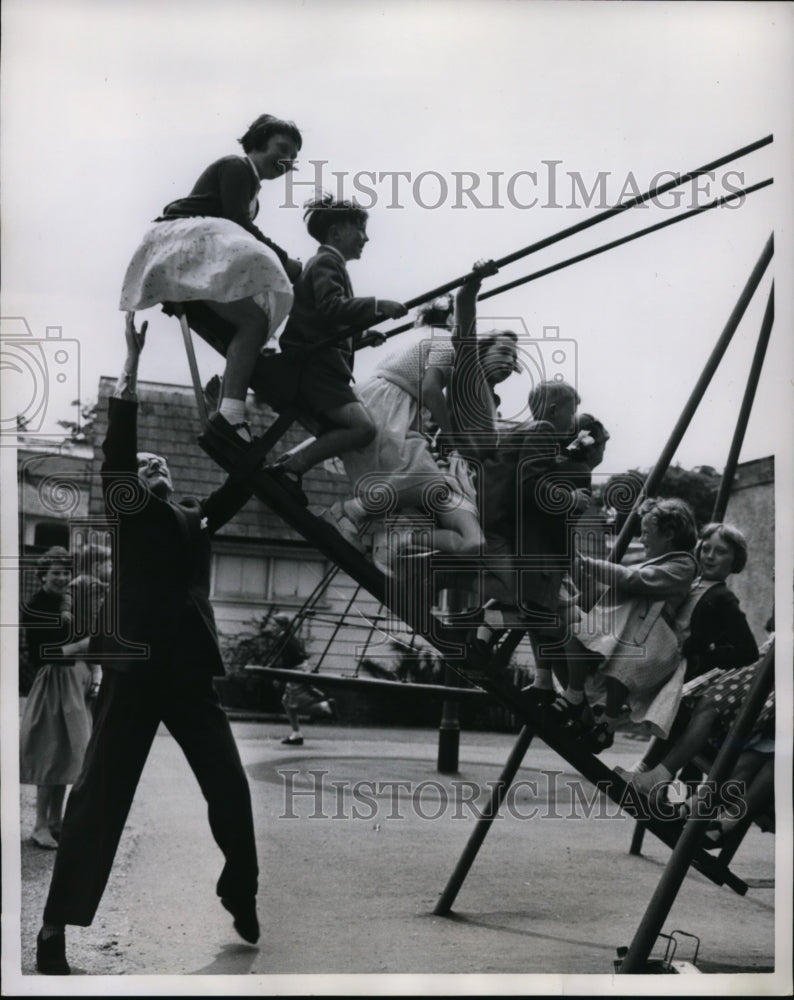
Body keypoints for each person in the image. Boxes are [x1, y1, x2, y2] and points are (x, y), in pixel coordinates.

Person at [35, 316, 260, 976]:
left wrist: (252, 441)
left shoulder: (191, 520)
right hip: (133, 671)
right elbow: (119, 448)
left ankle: (240, 891)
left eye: (159, 468)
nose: (152, 471)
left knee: (230, 787)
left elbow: (235, 491)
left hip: (188, 675)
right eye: (143, 468)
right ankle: (54, 927)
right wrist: (131, 367)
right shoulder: (126, 509)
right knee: (100, 795)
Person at [119, 114, 303, 442]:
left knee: (253, 318)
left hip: (190, 248)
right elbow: (237, 224)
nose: (288, 160)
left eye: (295, 157)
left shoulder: (252, 191)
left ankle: (226, 393)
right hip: (180, 244)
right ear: (259, 143)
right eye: (282, 149)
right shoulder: (236, 167)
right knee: (255, 318)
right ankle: (230, 413)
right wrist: (285, 260)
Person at [321, 267, 518, 557]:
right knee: (418, 474)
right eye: (503, 353)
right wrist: (472, 285)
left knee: (473, 538)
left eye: (514, 360)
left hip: (461, 468)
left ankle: (386, 536)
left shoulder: (490, 398)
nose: (510, 363)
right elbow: (463, 323)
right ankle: (360, 518)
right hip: (425, 442)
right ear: (481, 352)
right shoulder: (463, 367)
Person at [262, 193, 408, 501]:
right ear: (336, 232)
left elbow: (324, 319)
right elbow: (330, 306)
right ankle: (290, 467)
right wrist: (378, 306)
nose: (366, 237)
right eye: (360, 229)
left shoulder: (327, 263)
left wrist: (360, 336)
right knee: (363, 429)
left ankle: (289, 465)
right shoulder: (327, 261)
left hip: (321, 367)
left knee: (353, 431)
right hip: (318, 371)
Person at [547, 498, 699, 753]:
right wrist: (573, 561)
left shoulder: (682, 565)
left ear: (670, 535)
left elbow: (632, 580)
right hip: (630, 630)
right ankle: (579, 703)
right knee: (569, 637)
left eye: (647, 533)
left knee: (619, 670)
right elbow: (603, 590)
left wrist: (587, 564)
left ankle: (605, 721)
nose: (642, 538)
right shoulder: (658, 561)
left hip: (653, 639)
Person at [457, 379, 587, 668]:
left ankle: (481, 636)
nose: (574, 419)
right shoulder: (543, 430)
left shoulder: (522, 430)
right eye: (572, 411)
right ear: (554, 410)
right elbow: (529, 485)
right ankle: (477, 622)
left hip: (491, 517)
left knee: (523, 595)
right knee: (527, 596)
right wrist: (569, 498)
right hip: (501, 523)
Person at [621, 521, 758, 777]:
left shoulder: (723, 598)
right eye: (706, 548)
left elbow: (747, 651)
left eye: (720, 552)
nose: (709, 556)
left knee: (678, 721)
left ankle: (648, 771)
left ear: (735, 560)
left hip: (691, 673)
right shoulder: (691, 582)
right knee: (668, 720)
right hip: (667, 659)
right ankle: (652, 777)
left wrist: (704, 652)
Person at [20, 548, 95, 850]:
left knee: (70, 751)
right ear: (42, 576)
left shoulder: (70, 602)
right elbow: (41, 654)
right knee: (51, 750)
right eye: (56, 573)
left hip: (74, 680)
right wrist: (80, 647)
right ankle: (39, 825)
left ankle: (56, 821)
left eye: (66, 572)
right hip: (53, 680)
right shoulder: (36, 606)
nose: (62, 578)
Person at [267, 613, 334, 746]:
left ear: (282, 626)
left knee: (294, 703)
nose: (272, 627)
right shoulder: (287, 638)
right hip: (297, 669)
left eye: (274, 625)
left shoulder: (285, 639)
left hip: (297, 670)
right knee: (287, 702)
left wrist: (279, 677)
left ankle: (324, 706)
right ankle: (296, 734)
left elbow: (288, 661)